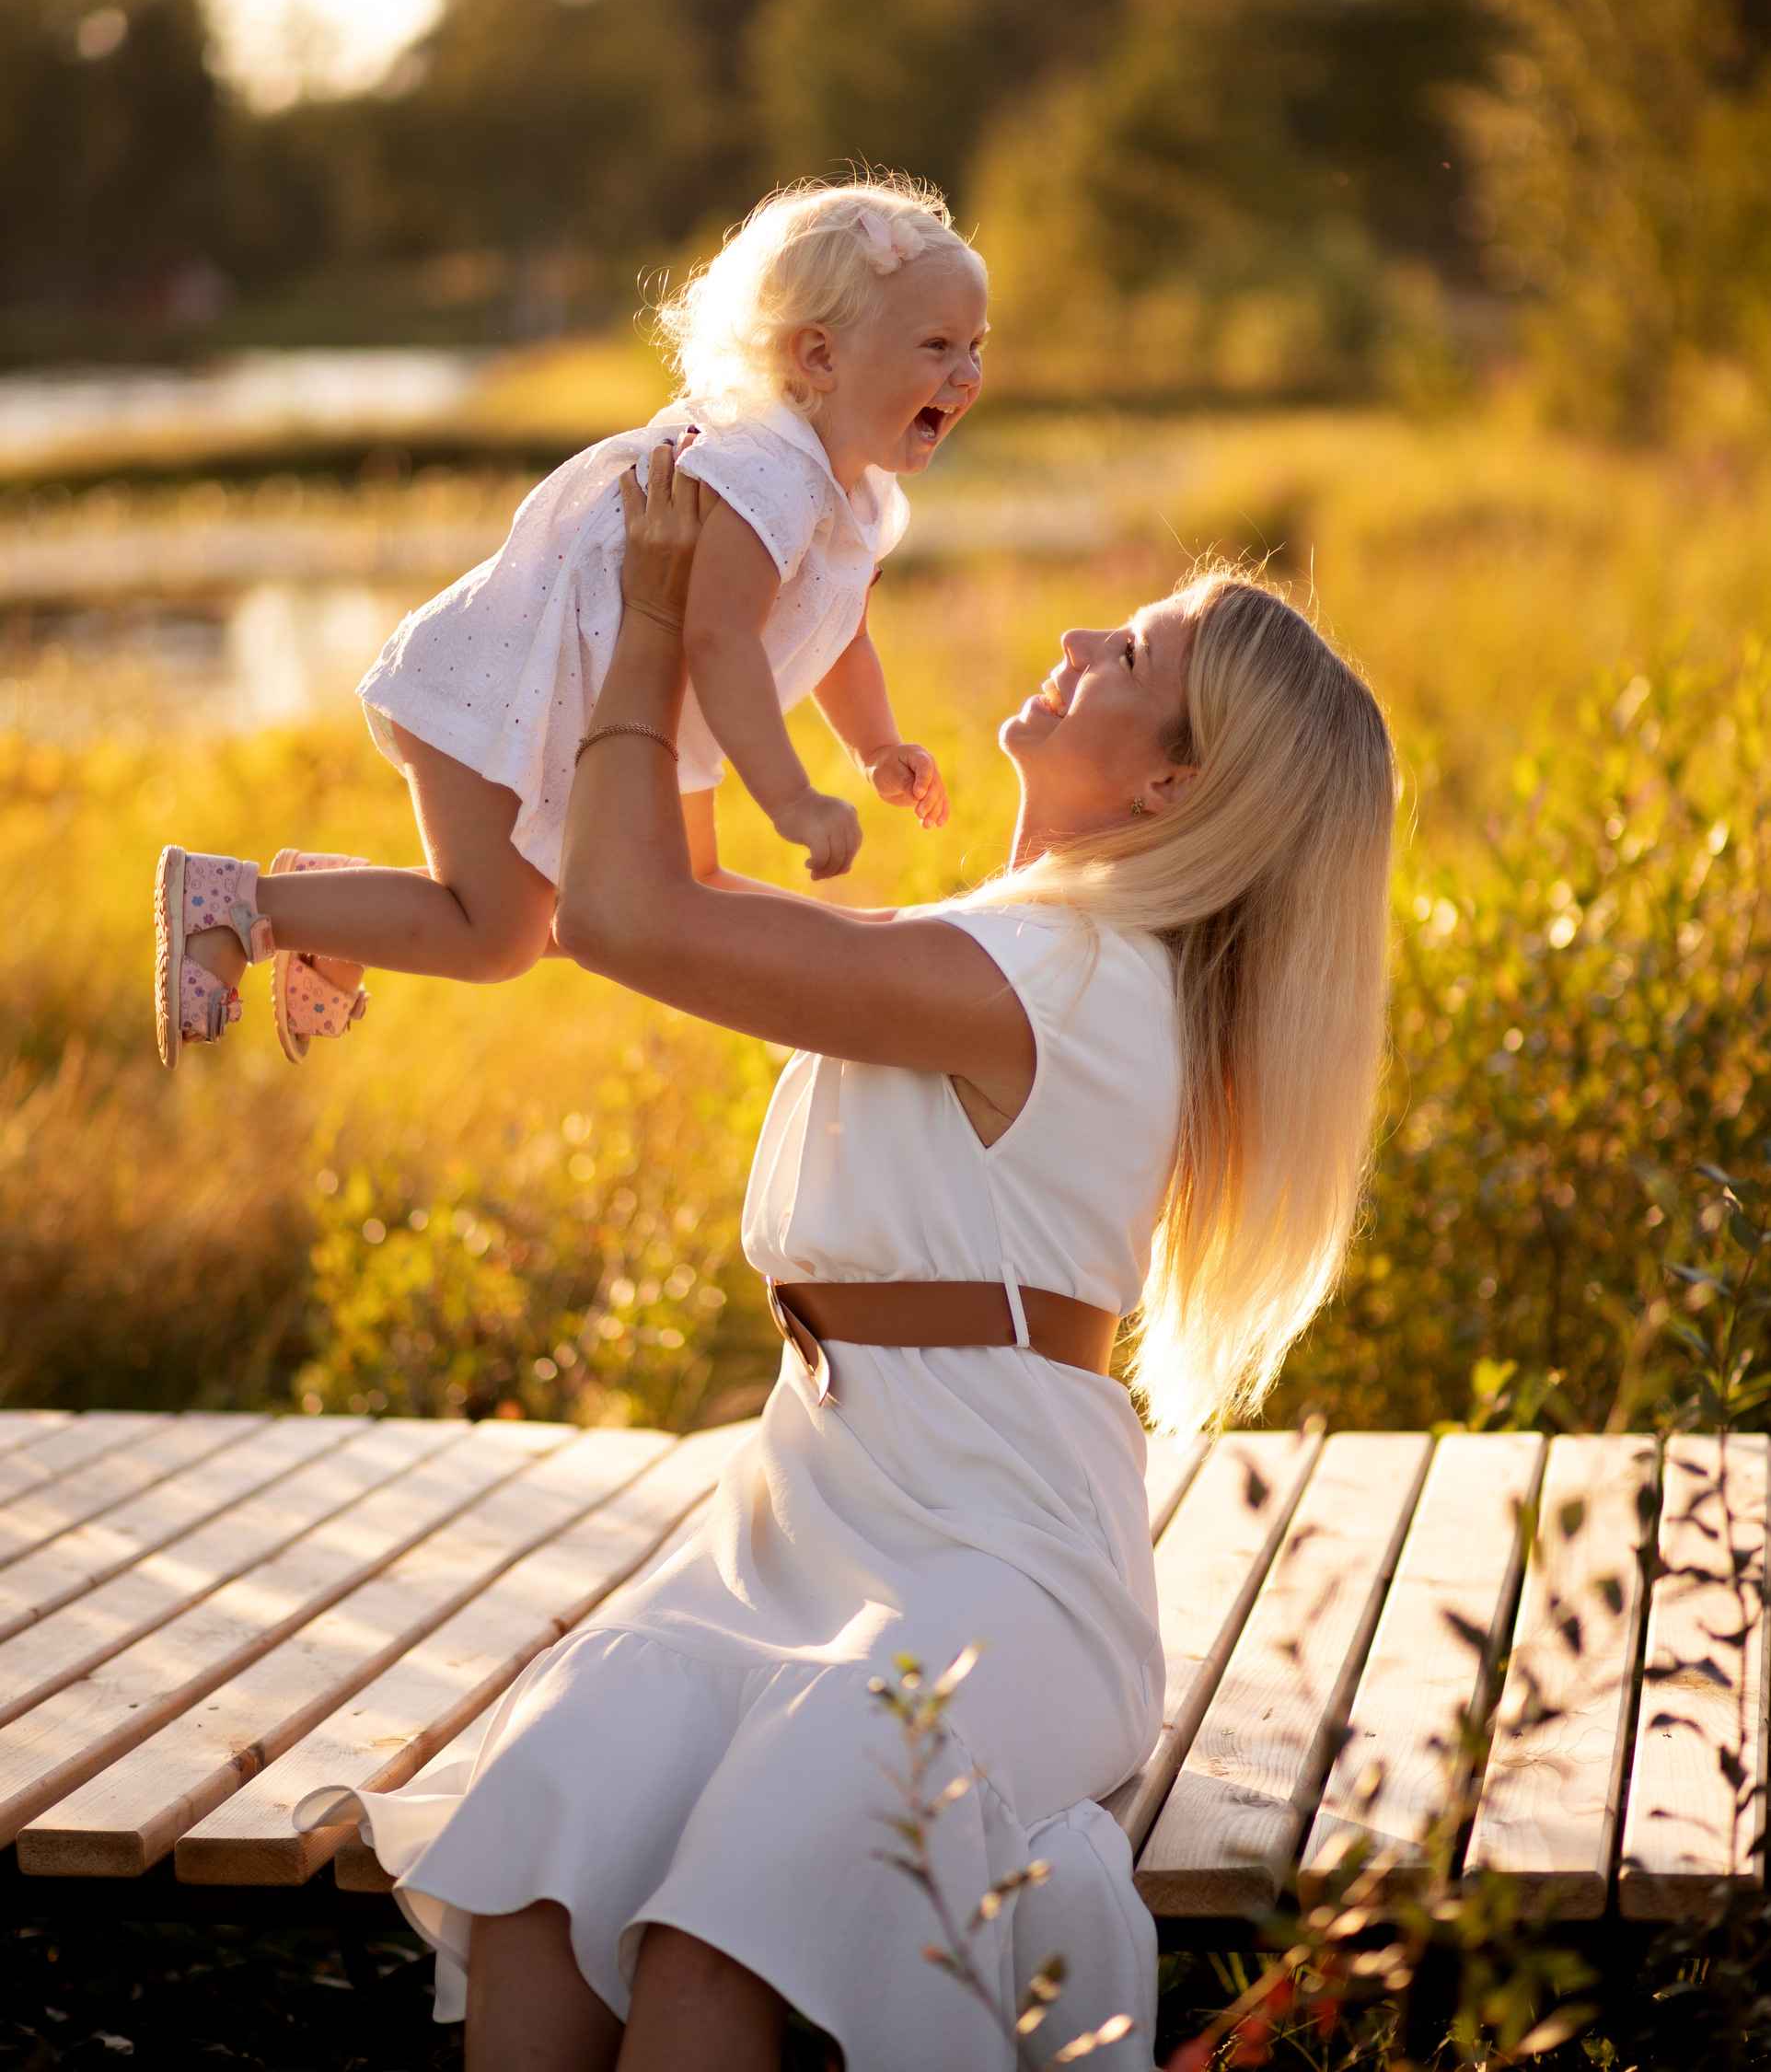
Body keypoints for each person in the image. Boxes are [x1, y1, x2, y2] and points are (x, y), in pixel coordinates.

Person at [293, 446, 1397, 2072]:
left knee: (711, 1939)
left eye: (1133, 657)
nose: (1084, 641)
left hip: (994, 1558)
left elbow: (626, 921)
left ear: (1172, 783)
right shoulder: (992, 940)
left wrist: (666, 620)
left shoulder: (1073, 978)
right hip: (803, 1516)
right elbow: (675, 892)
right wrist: (681, 633)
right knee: (546, 1851)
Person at [152, 177, 984, 1070]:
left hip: (625, 715)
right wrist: (790, 796)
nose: (965, 374)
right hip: (511, 690)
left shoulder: (859, 494)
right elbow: (717, 638)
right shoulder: (766, 474)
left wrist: (876, 745)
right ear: (818, 358)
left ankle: (334, 913)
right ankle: (228, 903)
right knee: (499, 936)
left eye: (976, 346)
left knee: (670, 903)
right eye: (936, 345)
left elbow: (843, 633)